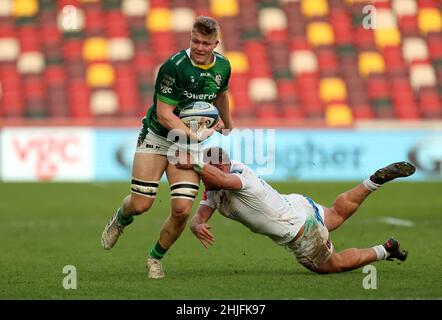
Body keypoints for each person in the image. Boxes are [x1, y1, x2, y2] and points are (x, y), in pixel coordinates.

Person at [101, 16, 233, 279]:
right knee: (141, 204)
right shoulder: (174, 67)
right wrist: (194, 138)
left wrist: (227, 122)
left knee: (182, 210)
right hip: (158, 138)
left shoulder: (224, 67)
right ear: (190, 38)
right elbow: (164, 115)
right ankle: (120, 218)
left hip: (187, 142)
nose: (199, 47)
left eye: (206, 43)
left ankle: (154, 258)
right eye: (195, 41)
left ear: (215, 43)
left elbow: (221, 94)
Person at [176, 147, 415, 274]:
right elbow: (203, 210)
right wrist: (197, 223)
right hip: (298, 205)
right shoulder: (213, 187)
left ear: (223, 167)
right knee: (335, 215)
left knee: (333, 265)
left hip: (298, 230)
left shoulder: (238, 176)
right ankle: (374, 181)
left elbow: (220, 179)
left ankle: (386, 250)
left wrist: (195, 163)